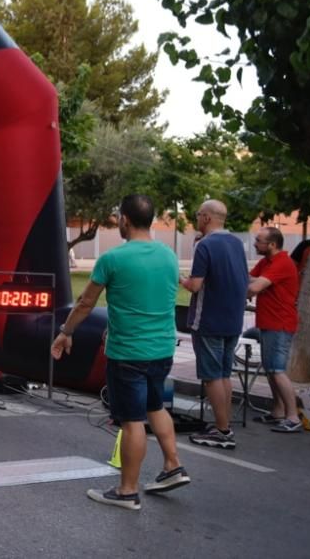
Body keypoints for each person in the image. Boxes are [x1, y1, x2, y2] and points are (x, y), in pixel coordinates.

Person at [53, 194, 188, 511]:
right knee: (156, 406)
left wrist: (65, 333)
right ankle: (173, 465)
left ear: (125, 219)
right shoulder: (169, 256)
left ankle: (127, 490)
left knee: (132, 421)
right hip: (162, 349)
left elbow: (86, 303)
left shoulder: (113, 259)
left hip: (128, 351)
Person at [180, 200, 248, 449]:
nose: (196, 219)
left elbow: (196, 285)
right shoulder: (237, 243)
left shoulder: (205, 244)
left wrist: (180, 278)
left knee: (211, 377)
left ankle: (222, 431)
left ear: (206, 218)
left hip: (208, 319)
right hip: (232, 320)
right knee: (224, 374)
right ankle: (223, 424)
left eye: (198, 214)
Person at [245, 227, 302, 433]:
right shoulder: (266, 262)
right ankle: (278, 411)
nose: (254, 243)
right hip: (269, 322)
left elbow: (254, 287)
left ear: (272, 245)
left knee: (277, 370)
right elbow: (249, 278)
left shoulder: (281, 262)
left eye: (259, 241)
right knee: (270, 370)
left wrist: (249, 286)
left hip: (281, 323)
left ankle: (293, 416)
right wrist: (251, 282)